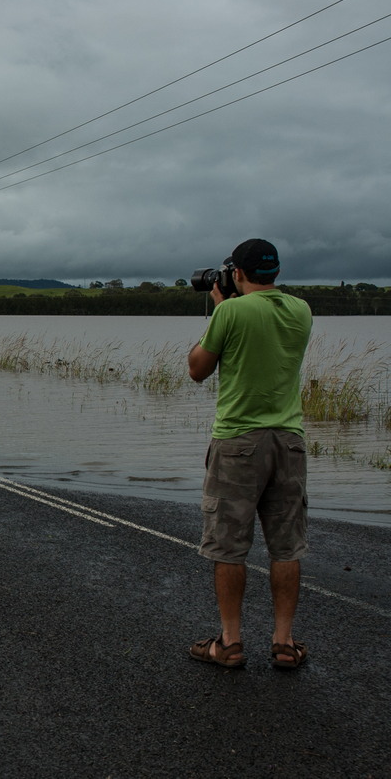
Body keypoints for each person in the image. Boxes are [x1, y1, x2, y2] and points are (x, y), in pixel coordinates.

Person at [186, 238, 313, 670]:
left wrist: (220, 308)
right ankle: (283, 643)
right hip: (289, 440)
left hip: (239, 440)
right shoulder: (301, 311)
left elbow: (198, 370)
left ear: (236, 273)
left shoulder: (230, 311)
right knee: (286, 547)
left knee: (228, 546)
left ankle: (231, 642)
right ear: (275, 272)